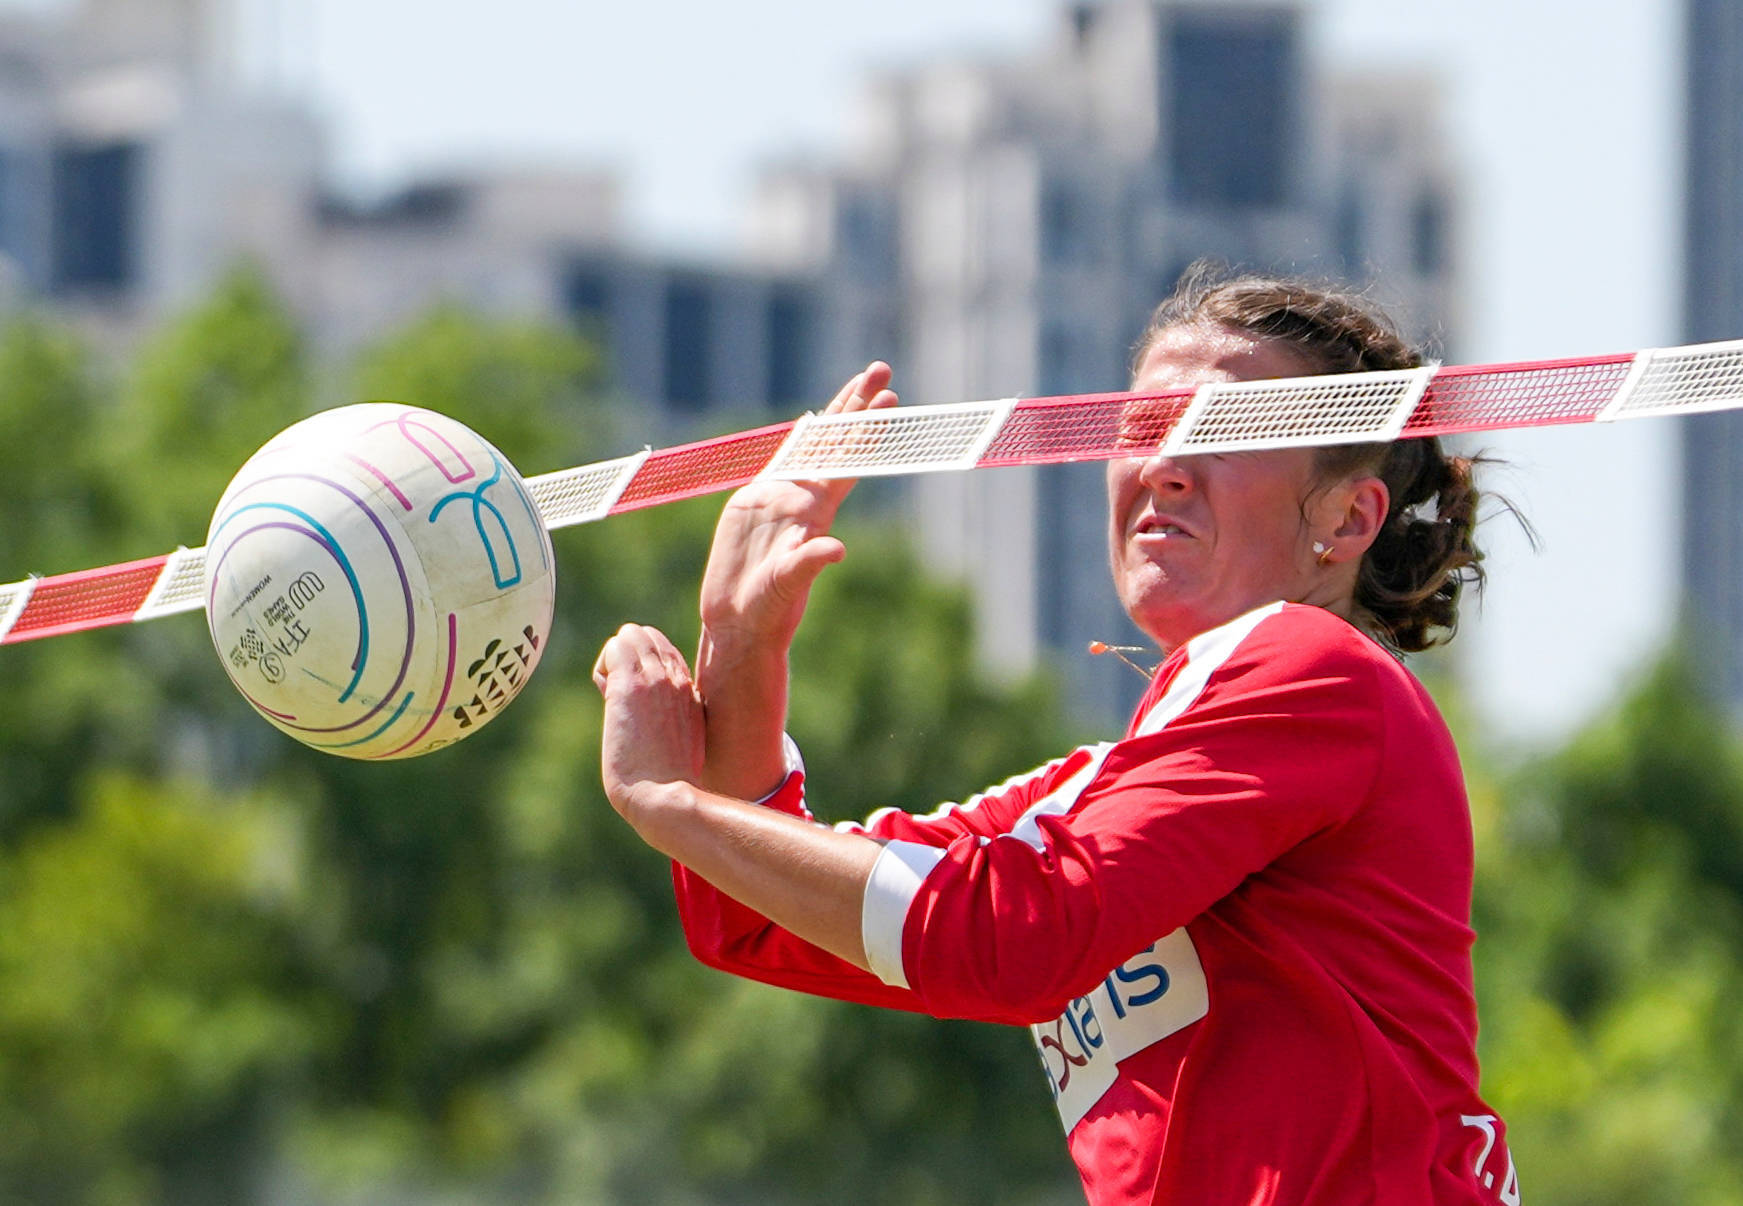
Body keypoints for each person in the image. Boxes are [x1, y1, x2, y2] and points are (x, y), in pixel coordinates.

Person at [591, 267, 1520, 1205]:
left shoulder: (1315, 667)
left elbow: (1016, 939)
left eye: (1225, 431)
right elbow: (758, 915)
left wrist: (665, 800)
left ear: (1348, 517)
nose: (1163, 464)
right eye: (1140, 431)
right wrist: (742, 647)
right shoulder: (1111, 783)